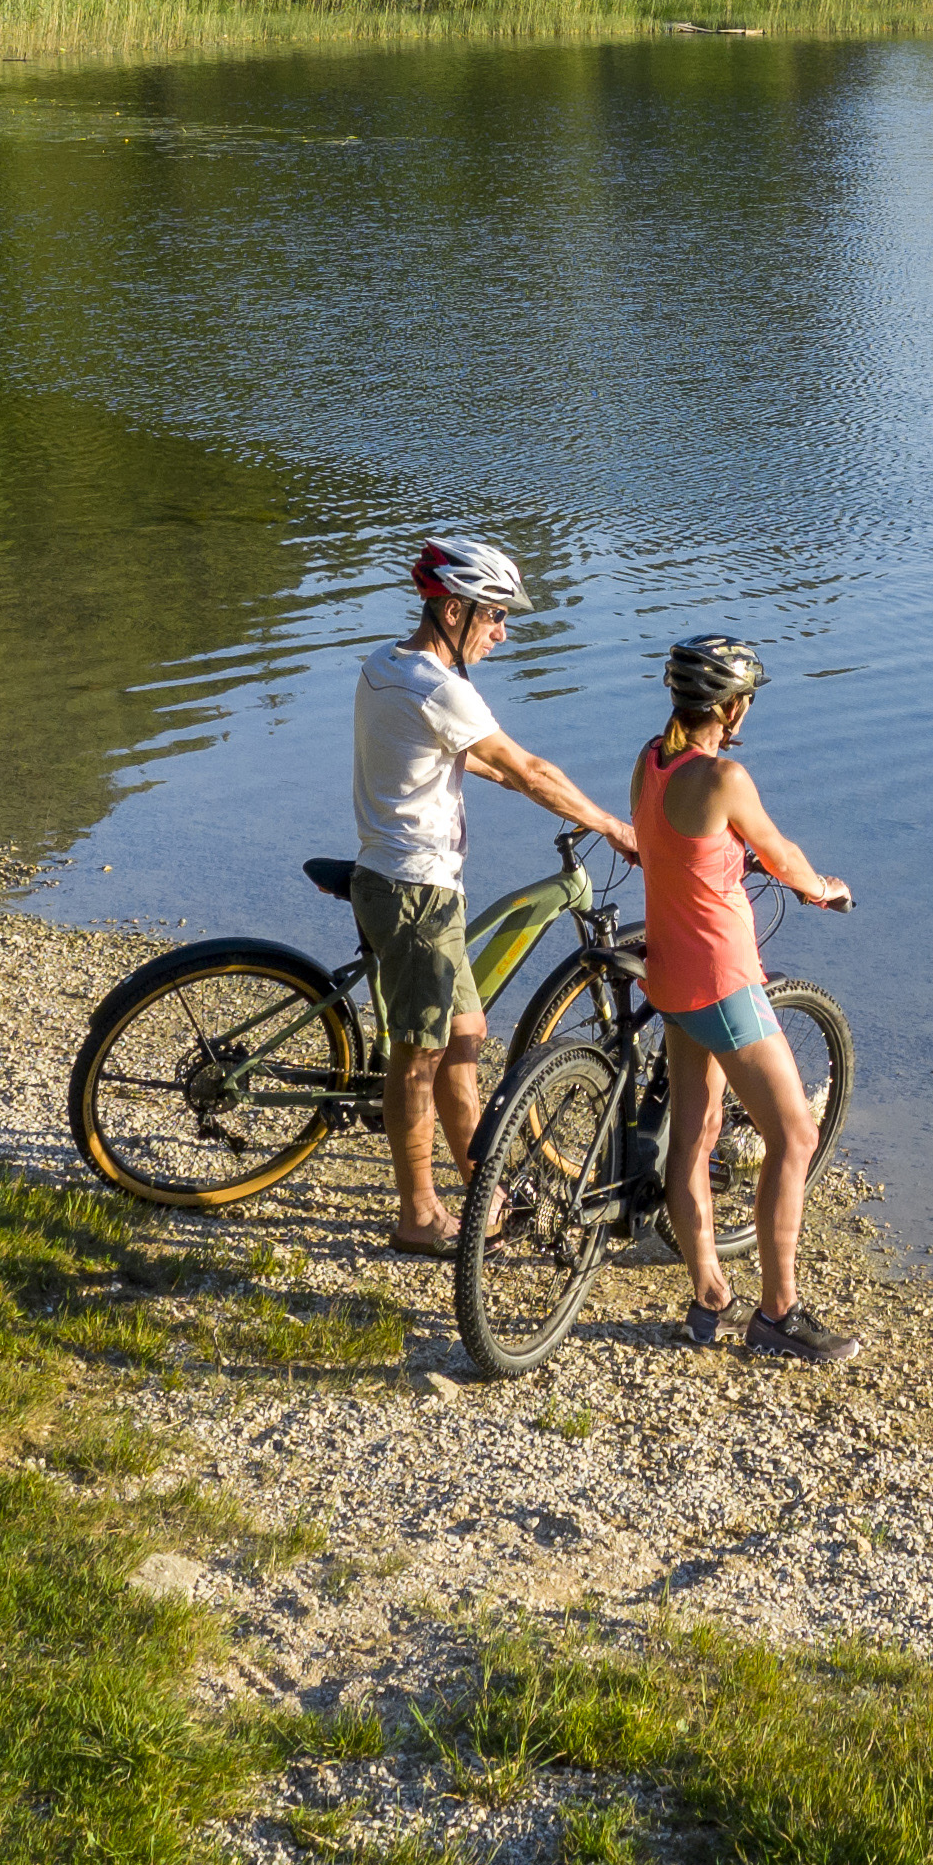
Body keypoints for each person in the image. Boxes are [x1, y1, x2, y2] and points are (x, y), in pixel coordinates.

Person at [350, 535, 636, 1250]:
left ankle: (484, 1190)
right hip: (417, 893)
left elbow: (478, 762)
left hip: (404, 882)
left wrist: (540, 790)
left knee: (467, 1036)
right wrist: (609, 823)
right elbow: (530, 767)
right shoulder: (440, 687)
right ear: (452, 608)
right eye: (495, 616)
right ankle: (418, 1214)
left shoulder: (389, 665)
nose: (503, 634)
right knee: (416, 1054)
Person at [627, 631, 862, 1362]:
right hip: (724, 983)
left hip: (669, 976)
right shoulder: (724, 778)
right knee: (794, 1134)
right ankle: (779, 1313)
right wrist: (821, 889)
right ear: (730, 709)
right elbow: (782, 854)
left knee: (693, 1137)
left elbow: (684, 846)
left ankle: (708, 1293)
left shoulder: (650, 762)